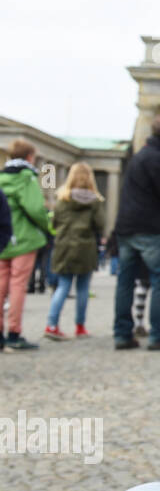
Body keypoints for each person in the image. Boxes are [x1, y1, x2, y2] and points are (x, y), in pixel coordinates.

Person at [113, 115, 160, 351]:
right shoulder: (158, 159)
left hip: (126, 227)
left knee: (125, 282)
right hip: (151, 229)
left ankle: (122, 334)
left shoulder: (139, 157)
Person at [1, 139, 53, 352]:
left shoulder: (2, 177)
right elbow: (35, 209)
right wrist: (47, 228)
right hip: (23, 239)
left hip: (2, 238)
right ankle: (14, 333)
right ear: (30, 157)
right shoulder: (27, 178)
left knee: (1, 286)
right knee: (17, 287)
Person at [45, 163, 106, 340]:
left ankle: (52, 324)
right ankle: (80, 327)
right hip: (85, 247)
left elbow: (54, 223)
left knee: (63, 286)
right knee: (82, 288)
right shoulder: (94, 200)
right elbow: (100, 224)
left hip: (64, 246)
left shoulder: (62, 199)